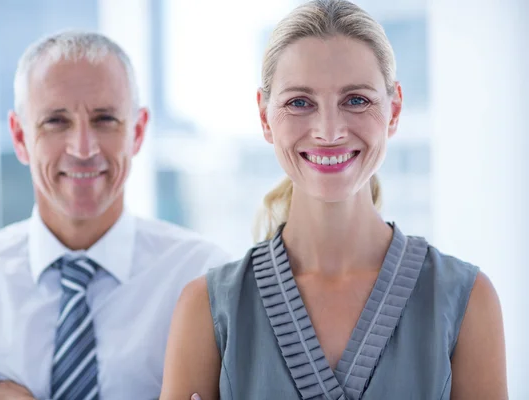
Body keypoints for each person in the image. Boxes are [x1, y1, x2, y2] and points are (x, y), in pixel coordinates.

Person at [160, 1, 508, 399]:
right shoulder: (205, 309)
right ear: (264, 116)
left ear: (393, 110)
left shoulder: (466, 300)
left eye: (356, 100)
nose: (329, 131)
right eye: (299, 103)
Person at [0, 31, 231, 400]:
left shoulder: (203, 277)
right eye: (56, 121)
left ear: (136, 132)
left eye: (105, 119)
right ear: (21, 137)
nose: (83, 148)